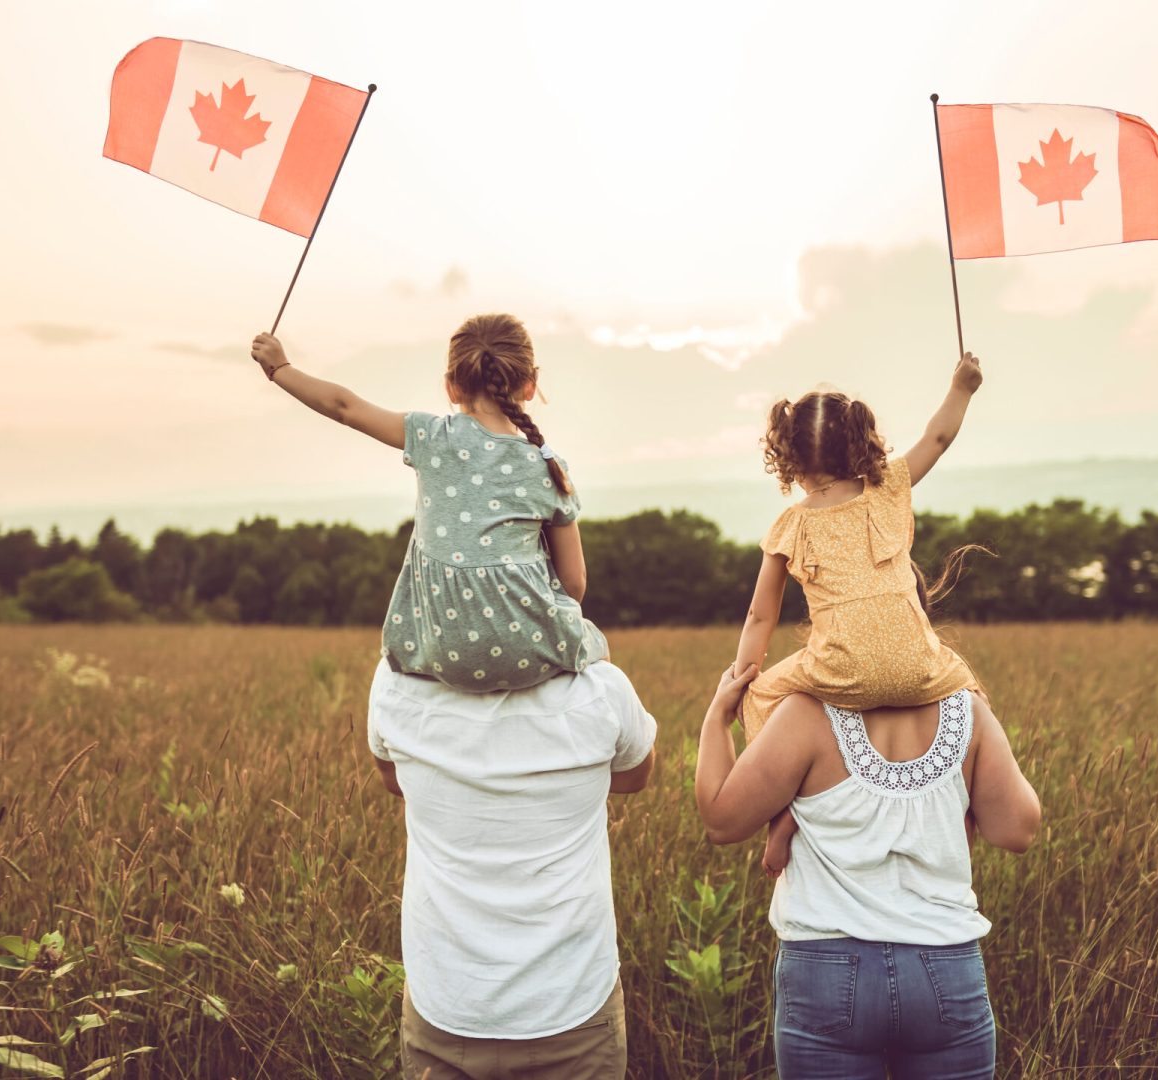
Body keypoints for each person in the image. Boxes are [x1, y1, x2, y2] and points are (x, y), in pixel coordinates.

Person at [693, 661, 1041, 1078]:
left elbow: (722, 823)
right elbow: (1016, 831)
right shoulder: (967, 712)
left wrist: (718, 717)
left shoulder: (804, 712)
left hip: (826, 967)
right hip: (943, 962)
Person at [250, 312, 608, 692]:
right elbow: (574, 584)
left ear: (451, 387)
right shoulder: (547, 466)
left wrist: (280, 369)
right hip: (533, 653)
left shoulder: (430, 437)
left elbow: (344, 407)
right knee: (603, 671)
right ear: (531, 384)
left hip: (441, 654)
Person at [731, 351, 990, 865]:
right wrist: (962, 387)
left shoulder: (790, 525)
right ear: (859, 441)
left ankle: (784, 818)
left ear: (788, 457)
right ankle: (969, 809)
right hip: (919, 664)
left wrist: (741, 679)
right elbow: (938, 438)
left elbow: (760, 616)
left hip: (840, 671)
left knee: (760, 699)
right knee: (973, 697)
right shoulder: (889, 488)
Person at [367, 658, 658, 1079]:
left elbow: (393, 777)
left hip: (446, 1008)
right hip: (573, 1011)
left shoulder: (396, 682)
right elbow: (635, 774)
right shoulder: (600, 688)